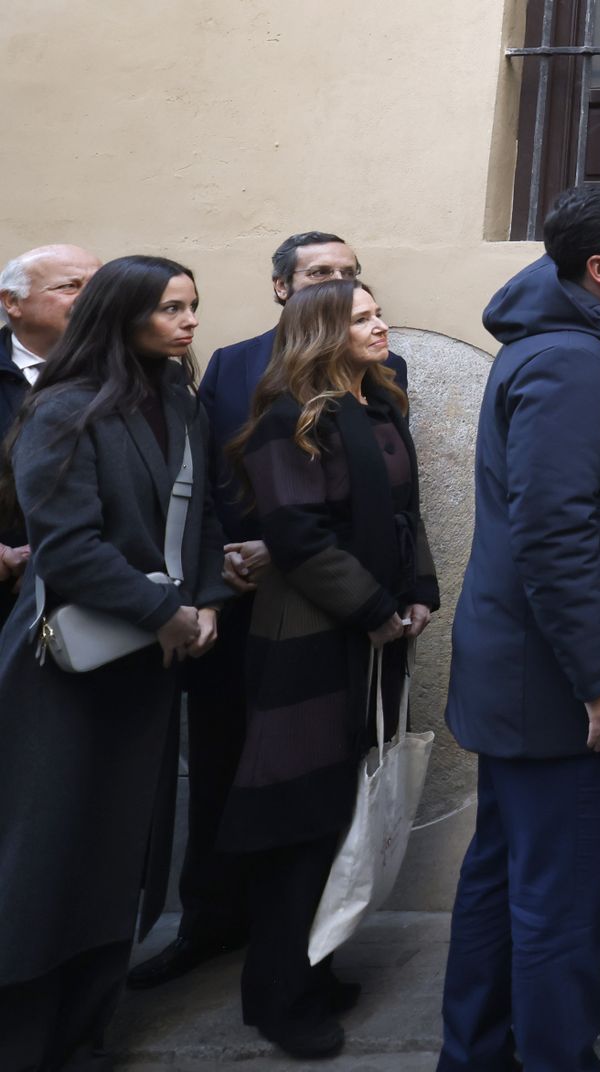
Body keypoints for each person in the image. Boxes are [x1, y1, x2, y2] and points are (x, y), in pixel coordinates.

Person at [130, 231, 409, 992]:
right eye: (323, 273)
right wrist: (235, 555)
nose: (341, 283)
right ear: (286, 287)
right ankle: (210, 926)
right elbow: (214, 468)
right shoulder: (233, 364)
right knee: (227, 767)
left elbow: (382, 502)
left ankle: (296, 949)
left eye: (351, 273)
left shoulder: (380, 374)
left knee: (312, 785)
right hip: (242, 599)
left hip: (325, 604)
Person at [438, 182, 600, 1072]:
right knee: (560, 905)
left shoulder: (581, 346)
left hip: (530, 680)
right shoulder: (572, 363)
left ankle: (476, 1057)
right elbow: (551, 531)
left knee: (505, 881)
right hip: (558, 690)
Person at [0, 255, 230, 1071]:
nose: (190, 321)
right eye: (171, 307)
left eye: (193, 305)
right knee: (47, 856)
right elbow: (67, 547)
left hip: (151, 664)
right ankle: (25, 1041)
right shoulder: (62, 407)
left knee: (120, 857)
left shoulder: (178, 399)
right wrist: (166, 611)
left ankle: (91, 1031)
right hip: (67, 671)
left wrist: (201, 603)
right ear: (122, 314)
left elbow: (199, 524)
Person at [216, 277, 438, 1058]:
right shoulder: (290, 421)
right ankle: (279, 997)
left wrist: (418, 594)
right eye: (363, 318)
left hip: (372, 635)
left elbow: (407, 517)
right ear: (321, 332)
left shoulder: (378, 408)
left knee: (342, 809)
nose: (382, 326)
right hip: (312, 638)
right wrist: (376, 608)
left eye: (380, 312)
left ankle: (313, 967)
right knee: (298, 816)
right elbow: (300, 536)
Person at [0, 244, 102, 622]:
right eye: (71, 286)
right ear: (12, 301)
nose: (90, 299)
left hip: (101, 597)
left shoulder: (132, 377)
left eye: (98, 286)